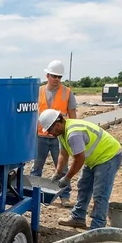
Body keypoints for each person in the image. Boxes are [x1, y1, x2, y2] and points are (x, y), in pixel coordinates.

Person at [37, 108, 122, 230]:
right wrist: (58, 173)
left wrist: (67, 178)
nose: (49, 133)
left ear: (57, 124)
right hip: (94, 158)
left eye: (50, 129)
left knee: (100, 192)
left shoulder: (73, 134)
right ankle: (78, 218)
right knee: (84, 186)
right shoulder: (62, 133)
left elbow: (79, 159)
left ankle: (97, 227)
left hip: (108, 156)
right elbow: (63, 153)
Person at [32, 60, 78, 208]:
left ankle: (65, 196)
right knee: (36, 167)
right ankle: (33, 195)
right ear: (47, 76)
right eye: (54, 76)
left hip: (59, 137)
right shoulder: (37, 92)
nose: (57, 79)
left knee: (63, 168)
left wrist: (73, 132)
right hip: (40, 136)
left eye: (59, 76)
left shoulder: (67, 92)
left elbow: (72, 114)